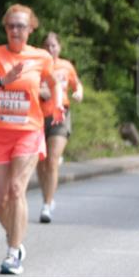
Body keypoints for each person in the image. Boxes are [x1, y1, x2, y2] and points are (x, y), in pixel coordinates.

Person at [0, 4, 63, 275]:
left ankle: (13, 253)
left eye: (21, 26)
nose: (15, 30)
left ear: (31, 28)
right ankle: (16, 237)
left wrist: (57, 102)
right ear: (5, 28)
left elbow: (55, 82)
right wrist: (3, 81)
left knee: (16, 189)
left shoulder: (41, 57)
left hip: (29, 131)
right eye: (11, 25)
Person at [36, 32, 83, 223]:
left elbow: (76, 84)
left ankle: (47, 205)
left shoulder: (66, 66)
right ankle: (47, 195)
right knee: (41, 162)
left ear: (60, 48)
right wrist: (41, 91)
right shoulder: (36, 65)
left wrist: (78, 92)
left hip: (60, 115)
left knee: (53, 160)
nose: (50, 49)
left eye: (53, 45)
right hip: (38, 116)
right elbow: (25, 86)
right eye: (47, 46)